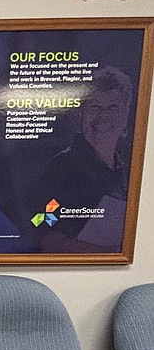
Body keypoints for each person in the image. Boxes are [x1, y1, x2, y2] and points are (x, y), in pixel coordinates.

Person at [35, 65, 134, 253]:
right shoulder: (63, 167)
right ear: (79, 115)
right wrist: (115, 252)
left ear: (125, 116)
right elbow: (42, 227)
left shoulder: (127, 171)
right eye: (94, 106)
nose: (103, 115)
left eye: (113, 106)